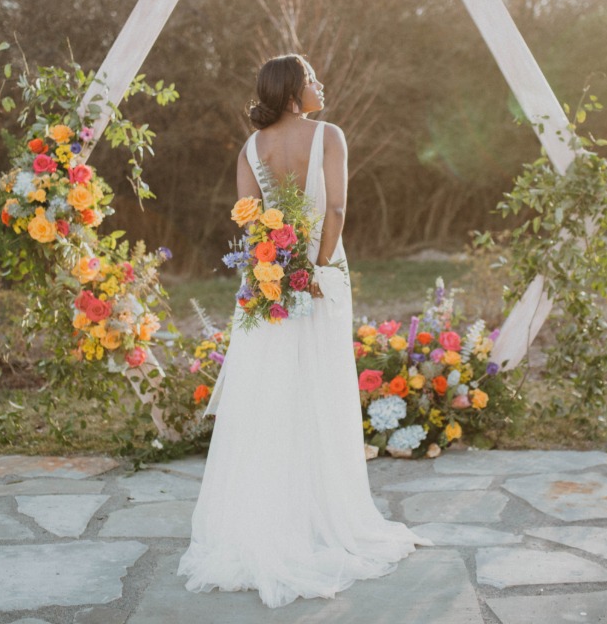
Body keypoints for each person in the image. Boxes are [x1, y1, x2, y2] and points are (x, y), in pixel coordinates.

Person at [177, 54, 431, 609]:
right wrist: (313, 269)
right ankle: (319, 520)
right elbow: (335, 208)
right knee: (320, 392)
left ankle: (264, 521)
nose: (321, 85)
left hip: (267, 285)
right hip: (320, 278)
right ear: (294, 90)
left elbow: (247, 219)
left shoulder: (251, 148)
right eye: (313, 78)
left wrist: (280, 270)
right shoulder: (329, 135)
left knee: (269, 399)